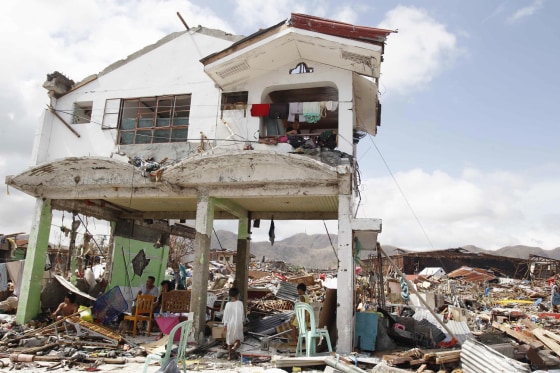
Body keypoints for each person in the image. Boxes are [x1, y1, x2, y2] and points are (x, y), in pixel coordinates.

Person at [222, 287, 245, 360]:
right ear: (237, 295)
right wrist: (243, 322)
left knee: (229, 340)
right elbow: (242, 314)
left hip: (230, 324)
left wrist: (225, 325)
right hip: (238, 323)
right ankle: (234, 348)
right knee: (238, 339)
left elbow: (225, 315)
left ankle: (229, 356)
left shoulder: (227, 304)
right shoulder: (240, 303)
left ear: (229, 295)